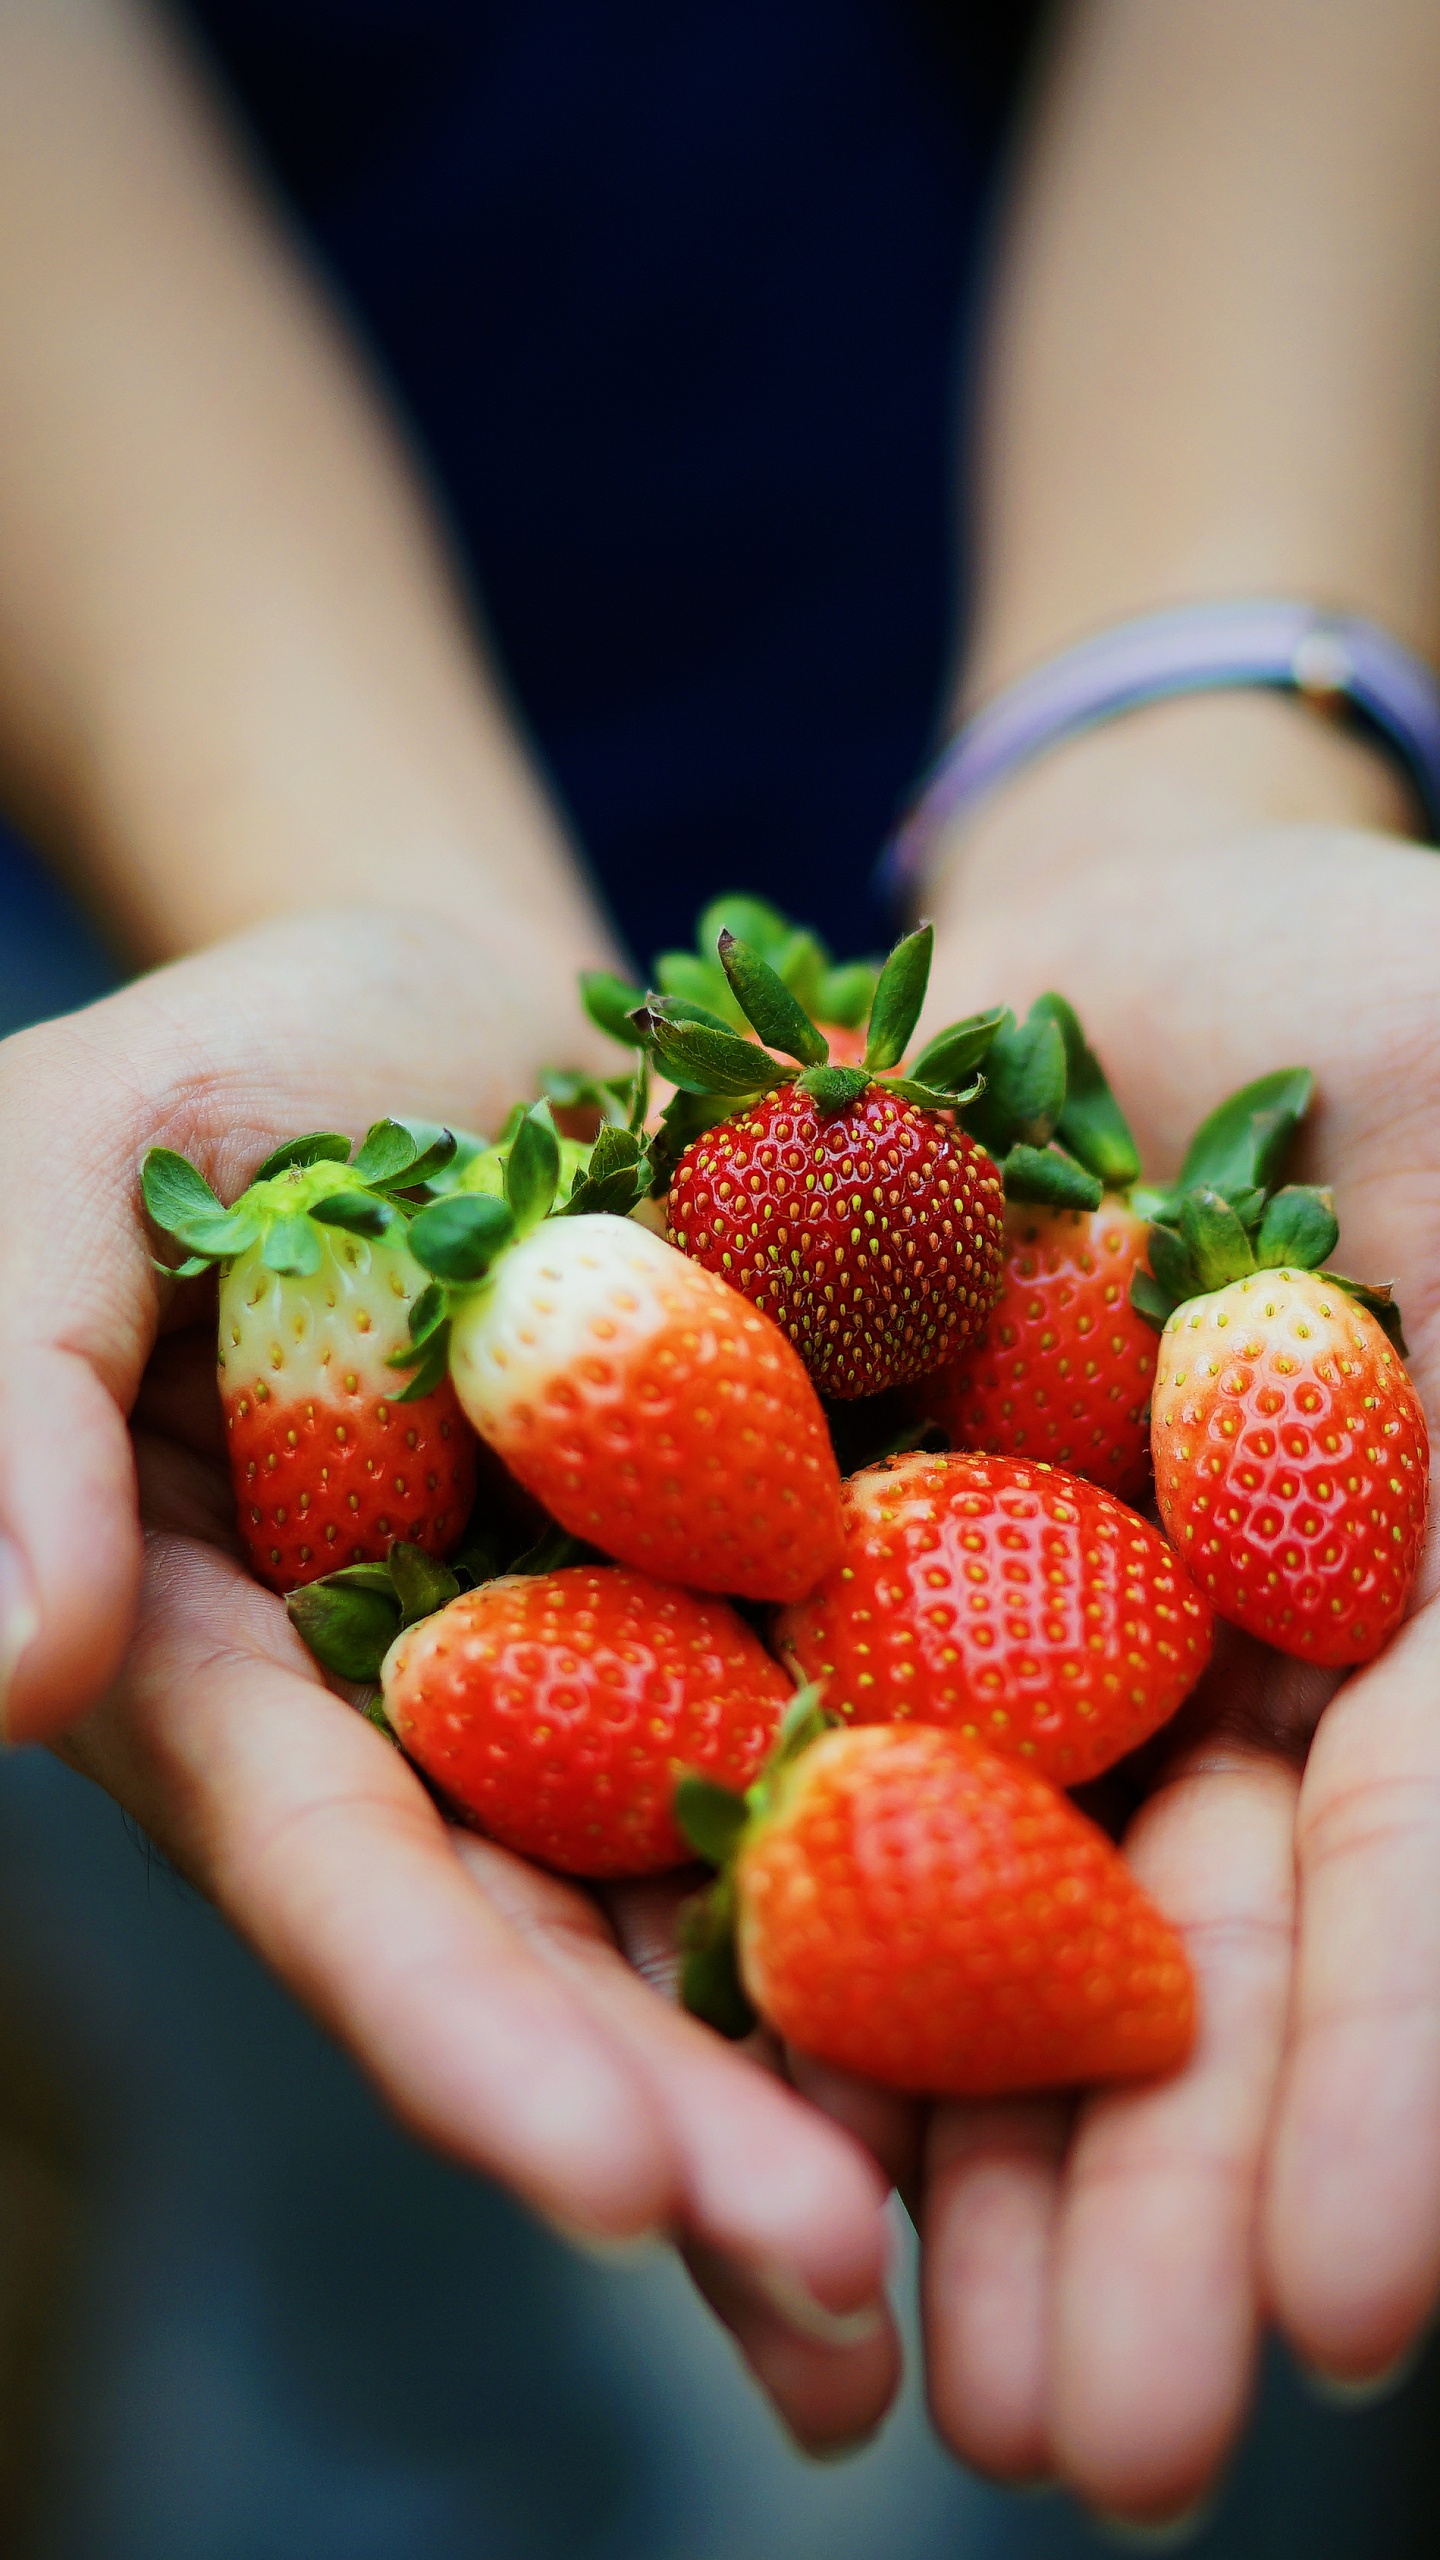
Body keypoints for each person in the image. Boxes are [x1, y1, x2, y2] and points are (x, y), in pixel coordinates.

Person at [1, 0, 1439, 2530]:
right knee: (371, 2220)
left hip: (1024, 448)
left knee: (1216, 2295)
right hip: (139, 746)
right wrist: (350, 903)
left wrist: (1196, 746)